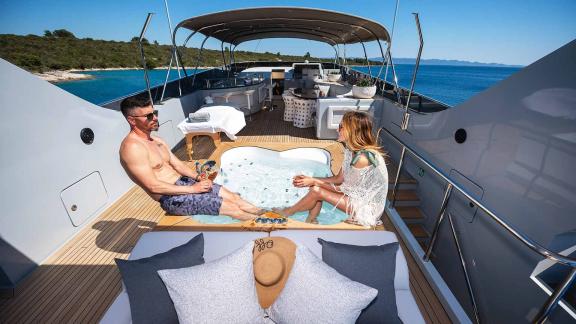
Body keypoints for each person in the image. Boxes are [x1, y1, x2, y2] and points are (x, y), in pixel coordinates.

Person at [118, 96, 262, 221]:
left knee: (234, 198)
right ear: (132, 120)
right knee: (231, 208)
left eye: (154, 113)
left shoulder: (157, 141)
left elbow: (178, 166)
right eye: (148, 116)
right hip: (172, 198)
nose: (155, 118)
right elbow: (153, 186)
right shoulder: (132, 148)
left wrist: (198, 177)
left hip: (186, 184)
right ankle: (265, 228)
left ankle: (268, 216)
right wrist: (193, 189)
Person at [275, 111, 389, 227]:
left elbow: (344, 189)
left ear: (352, 130)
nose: (337, 130)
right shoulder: (351, 150)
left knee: (316, 190)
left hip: (366, 207)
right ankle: (311, 220)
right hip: (356, 197)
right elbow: (338, 178)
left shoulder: (363, 158)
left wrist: (314, 181)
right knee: (316, 187)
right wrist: (311, 179)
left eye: (341, 127)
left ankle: (288, 212)